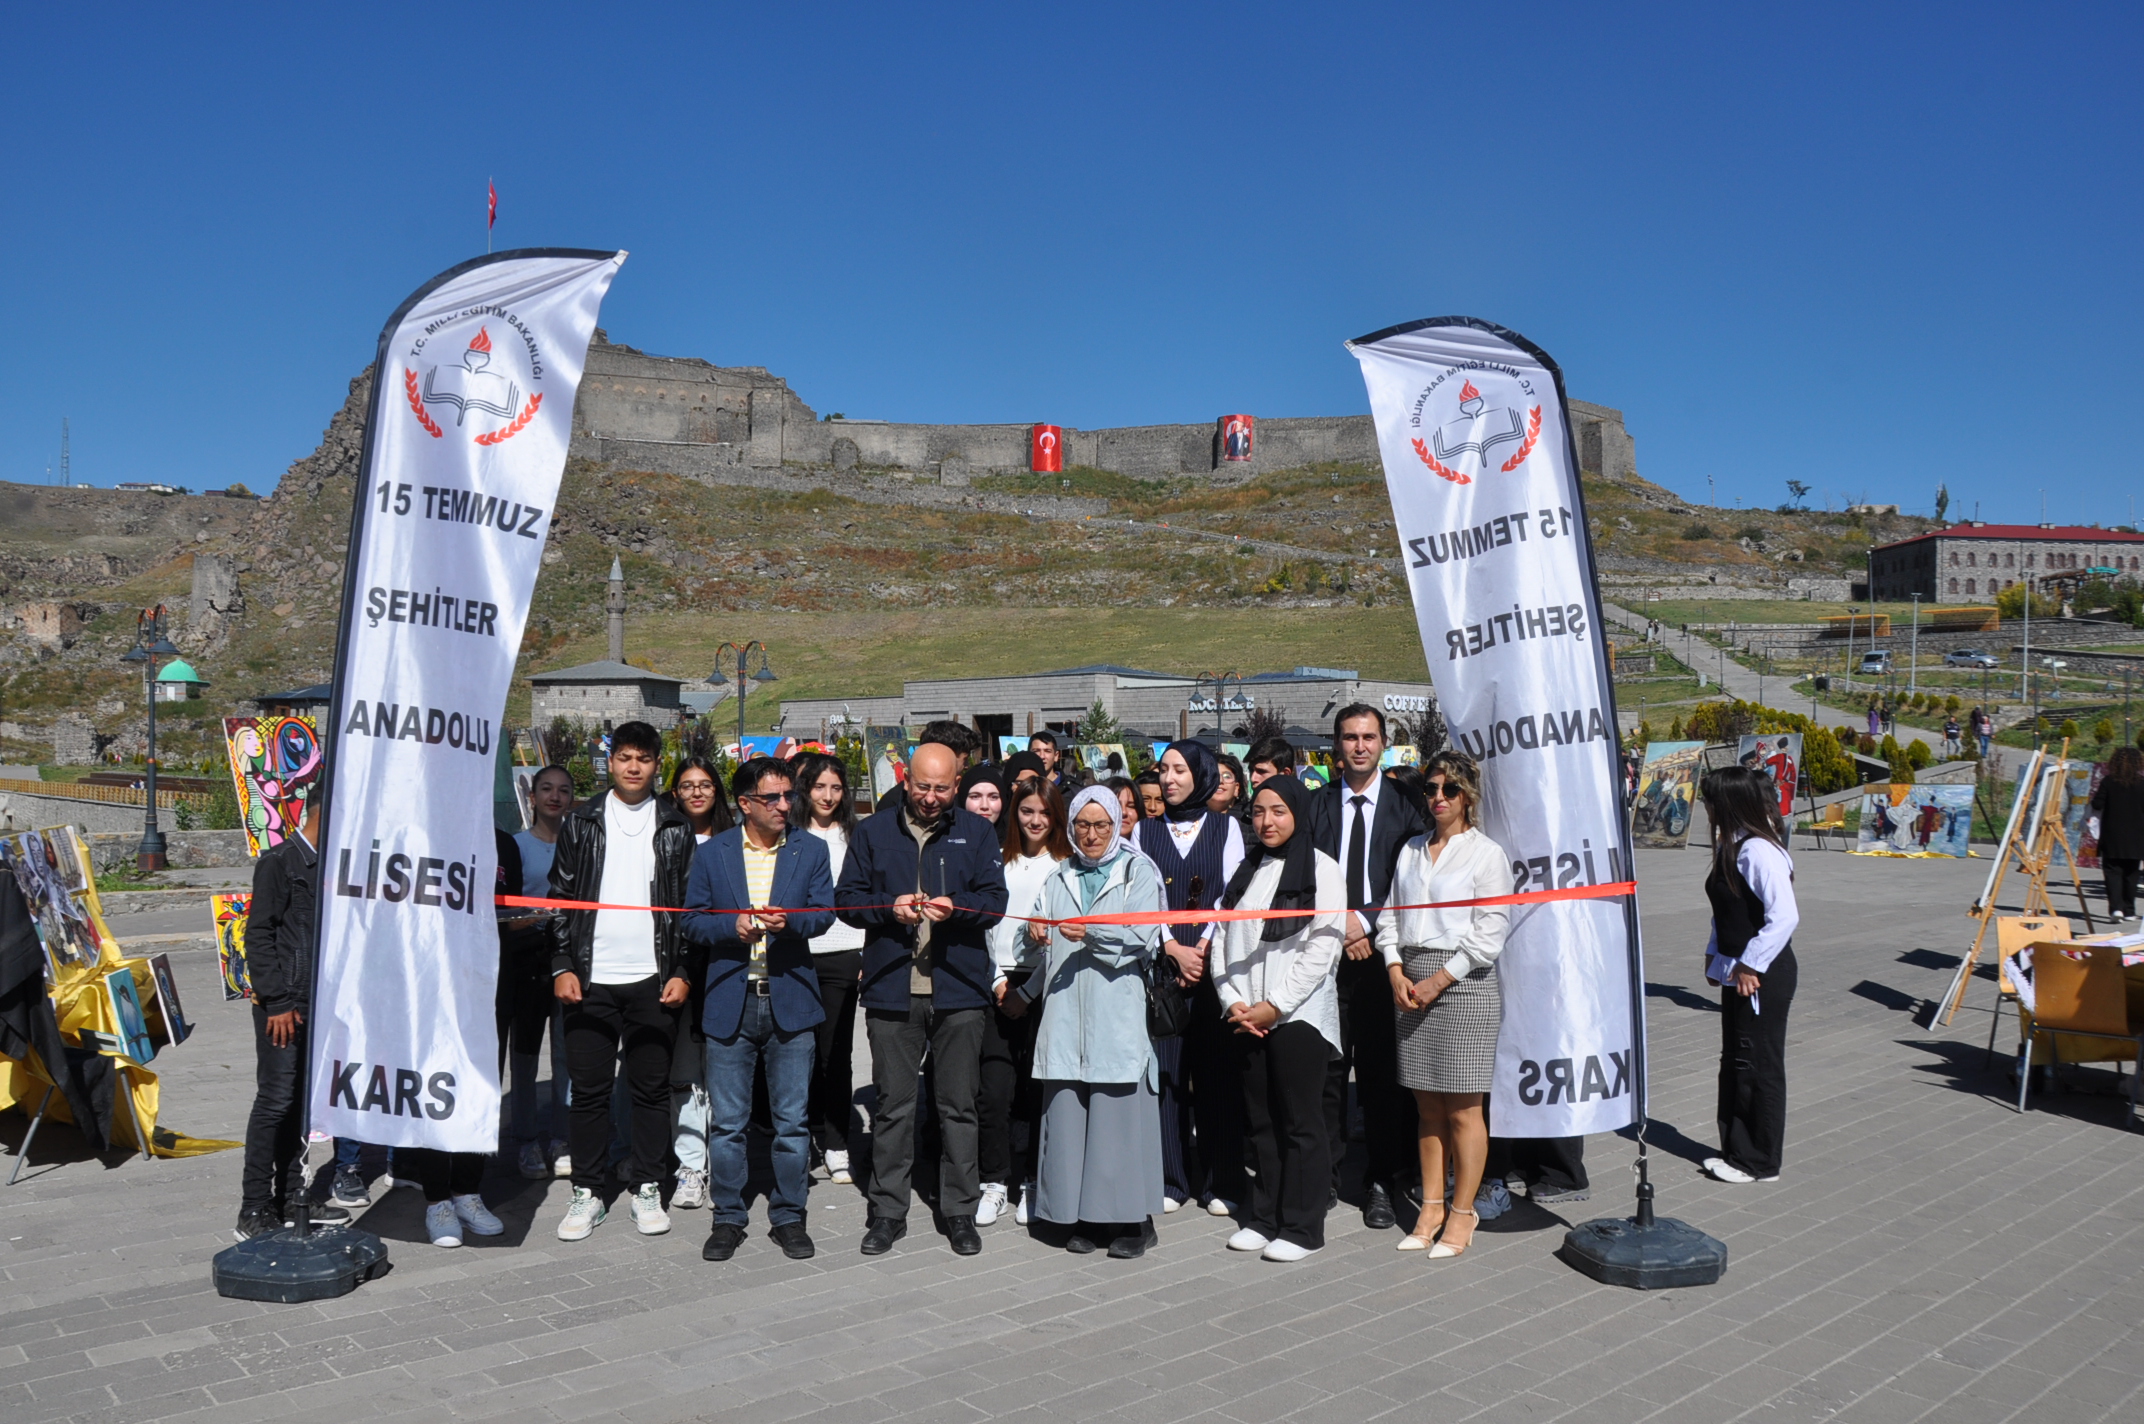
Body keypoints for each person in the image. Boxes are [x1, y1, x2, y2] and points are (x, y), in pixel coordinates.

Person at [837, 742, 1010, 1256]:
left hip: (959, 990)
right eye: (921, 786)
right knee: (893, 1107)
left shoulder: (976, 832)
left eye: (941, 788)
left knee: (959, 1106)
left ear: (955, 786)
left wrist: (957, 907)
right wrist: (886, 910)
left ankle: (959, 1210)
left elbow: (995, 903)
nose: (931, 797)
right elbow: (847, 900)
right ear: (905, 781)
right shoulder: (872, 831)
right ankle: (888, 1210)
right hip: (893, 990)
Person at [547, 721, 697, 1242]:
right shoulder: (581, 820)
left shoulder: (676, 826)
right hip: (590, 979)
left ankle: (648, 1185)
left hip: (653, 979)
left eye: (644, 759)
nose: (633, 767)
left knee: (650, 1091)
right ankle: (587, 1192)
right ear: (609, 762)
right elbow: (560, 898)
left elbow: (689, 909)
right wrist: (562, 965)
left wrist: (681, 971)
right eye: (624, 757)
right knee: (587, 1093)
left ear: (658, 766)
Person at [680, 758, 835, 1261]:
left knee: (792, 1123)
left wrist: (790, 923)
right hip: (732, 1000)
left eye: (789, 795)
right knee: (728, 1125)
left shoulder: (809, 849)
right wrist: (733, 928)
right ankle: (728, 1217)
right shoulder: (714, 854)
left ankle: (789, 1216)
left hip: (790, 999)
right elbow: (693, 922)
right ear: (744, 803)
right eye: (772, 798)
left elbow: (824, 914)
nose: (785, 806)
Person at [1024, 787, 1167, 1256]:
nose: (1091, 835)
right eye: (1082, 825)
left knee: (1116, 1121)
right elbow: (1039, 930)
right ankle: (1082, 1216)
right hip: (1065, 1014)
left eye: (1101, 825)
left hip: (1115, 1014)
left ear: (1115, 825)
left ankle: (1132, 1222)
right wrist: (1035, 929)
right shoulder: (1058, 874)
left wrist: (1093, 933)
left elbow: (1142, 939)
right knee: (1070, 1118)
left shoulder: (1137, 871)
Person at [1377, 751, 1509, 1258]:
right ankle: (1430, 1205)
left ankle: (1462, 1211)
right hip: (1409, 978)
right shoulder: (1411, 849)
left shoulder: (1486, 854)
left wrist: (1437, 980)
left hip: (1464, 984)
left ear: (1467, 796)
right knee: (1427, 1104)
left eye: (1448, 790)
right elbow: (1390, 916)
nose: (1437, 798)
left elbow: (1489, 934)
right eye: (1431, 789)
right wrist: (1393, 968)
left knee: (1464, 1108)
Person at [1304, 704, 1427, 1230]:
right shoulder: (1313, 806)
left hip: (1385, 960)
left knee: (1380, 1076)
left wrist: (1367, 924)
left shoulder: (1409, 804)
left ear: (1383, 744)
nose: (1360, 746)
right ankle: (1325, 1176)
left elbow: (1416, 879)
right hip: (1326, 958)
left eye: (1369, 737)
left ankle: (1382, 1179)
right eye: (1350, 737)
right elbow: (1301, 873)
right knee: (1328, 1071)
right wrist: (1343, 924)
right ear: (1337, 744)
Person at [1215, 774, 1344, 1262]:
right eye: (1259, 811)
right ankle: (1265, 1217)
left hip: (1299, 1017)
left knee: (1301, 1122)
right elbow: (1221, 938)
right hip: (1247, 1013)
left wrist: (1277, 1006)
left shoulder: (1323, 869)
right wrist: (1232, 1000)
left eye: (1279, 811)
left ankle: (1303, 1226)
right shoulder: (1248, 868)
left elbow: (1322, 948)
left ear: (1299, 813)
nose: (1267, 821)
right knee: (1261, 1120)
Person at [1135, 739, 1247, 1216]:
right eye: (1164, 770)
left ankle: (1222, 1179)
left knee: (1217, 1075)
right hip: (1164, 967)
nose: (1169, 779)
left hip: (1214, 966)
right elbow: (1141, 897)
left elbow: (1233, 894)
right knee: (1168, 1073)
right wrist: (1172, 947)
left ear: (1200, 774)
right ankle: (1171, 1177)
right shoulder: (1143, 831)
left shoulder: (1227, 828)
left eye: (1180, 769)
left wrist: (1200, 948)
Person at [234, 796, 352, 1240]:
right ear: (324, 811)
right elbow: (258, 934)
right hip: (285, 1006)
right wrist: (278, 1001)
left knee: (301, 1106)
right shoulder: (281, 862)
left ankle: (291, 1196)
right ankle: (253, 1208)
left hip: (319, 1005)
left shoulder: (332, 866)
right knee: (276, 1100)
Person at [1698, 765, 1800, 1184]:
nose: (1704, 808)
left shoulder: (1757, 851)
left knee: (1758, 1064)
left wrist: (1749, 964)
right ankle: (1737, 1148)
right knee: (1738, 1063)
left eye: (1709, 800)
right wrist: (1714, 957)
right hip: (1738, 973)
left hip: (1760, 978)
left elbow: (1783, 917)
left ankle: (1758, 1161)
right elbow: (1729, 910)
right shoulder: (1733, 845)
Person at [983, 781, 1070, 1227]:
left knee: (1038, 1092)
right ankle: (995, 1182)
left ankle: (1034, 1183)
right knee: (994, 1091)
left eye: (1045, 813)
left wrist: (1027, 992)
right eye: (1027, 811)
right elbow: (982, 927)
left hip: (1046, 986)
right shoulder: (996, 859)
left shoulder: (1065, 867)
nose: (1035, 821)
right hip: (997, 985)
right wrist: (999, 982)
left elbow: (1062, 944)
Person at [793, 752, 866, 1185]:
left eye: (836, 788)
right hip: (798, 954)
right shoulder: (792, 834)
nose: (828, 795)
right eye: (820, 787)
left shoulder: (855, 835)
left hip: (845, 954)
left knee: (836, 1054)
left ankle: (837, 1142)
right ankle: (800, 1139)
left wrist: (865, 954)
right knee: (797, 1054)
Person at [665, 756, 732, 1213]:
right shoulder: (664, 837)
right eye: (687, 785)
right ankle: (690, 1166)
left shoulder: (735, 840)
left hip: (725, 966)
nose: (696, 793)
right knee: (684, 1074)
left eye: (705, 784)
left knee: (726, 1075)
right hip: (675, 967)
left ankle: (725, 1167)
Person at [505, 765, 576, 1181]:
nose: (555, 796)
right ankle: (527, 1139)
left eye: (563, 790)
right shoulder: (515, 846)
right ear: (531, 797)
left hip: (565, 962)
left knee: (567, 1054)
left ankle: (562, 1137)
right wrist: (533, 918)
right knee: (526, 1056)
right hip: (525, 962)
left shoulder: (580, 843)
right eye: (546, 789)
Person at [2089, 747, 2144, 922]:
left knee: (2112, 872)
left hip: (2112, 835)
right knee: (2132, 873)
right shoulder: (2142, 783)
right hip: (2136, 836)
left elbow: (2097, 804)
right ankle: (2129, 910)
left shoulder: (2108, 781)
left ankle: (2116, 909)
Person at [959, 764, 1006, 830]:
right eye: (975, 797)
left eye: (993, 797)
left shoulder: (1015, 839)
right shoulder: (945, 837)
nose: (984, 806)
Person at [1210, 754, 1247, 819]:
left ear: (1236, 788)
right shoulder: (1189, 821)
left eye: (1227, 776)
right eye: (1214, 775)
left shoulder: (1248, 821)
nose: (1220, 780)